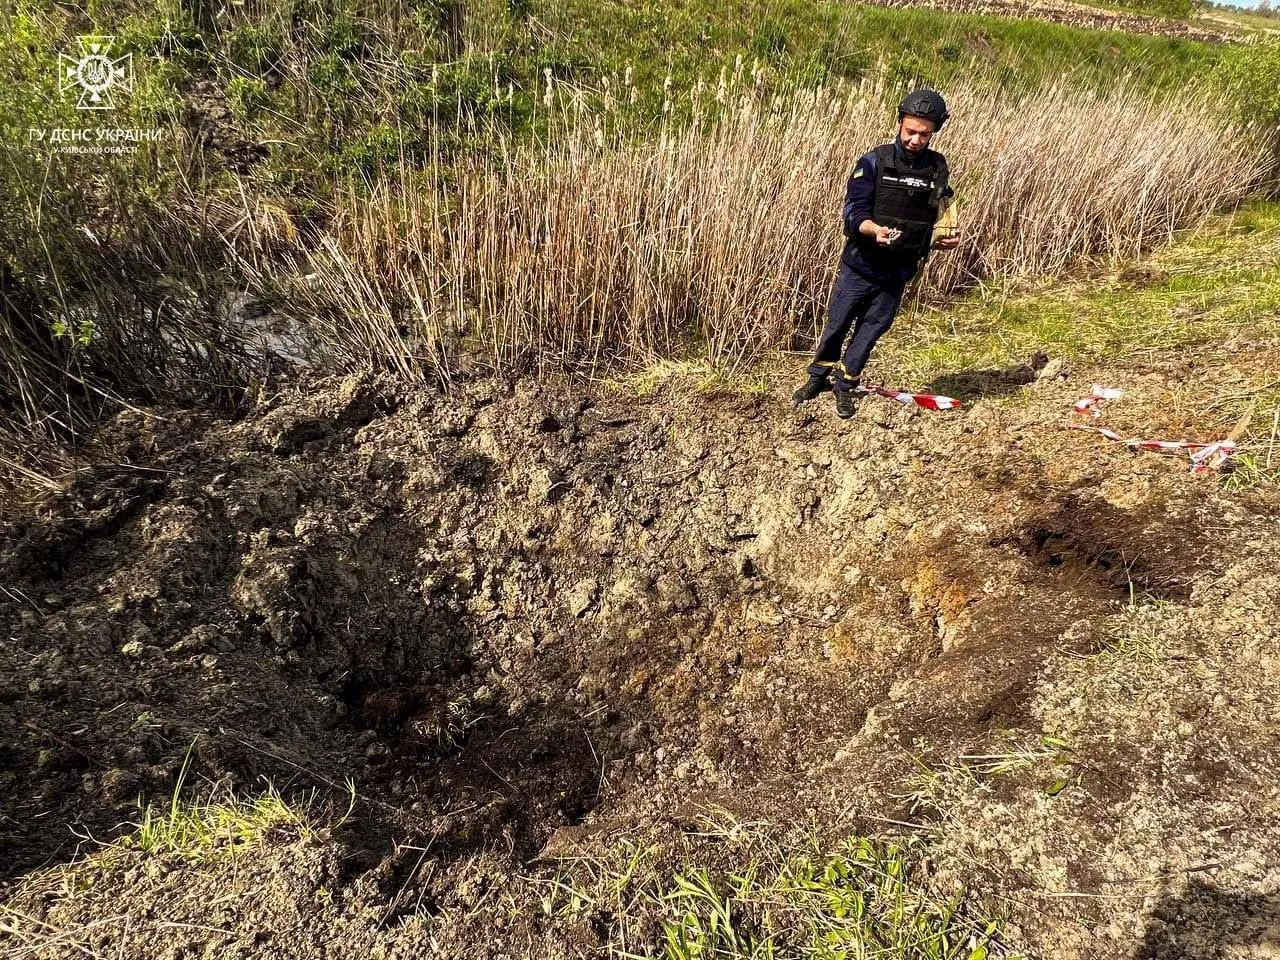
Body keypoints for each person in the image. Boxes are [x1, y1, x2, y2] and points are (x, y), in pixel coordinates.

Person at [792, 89, 961, 418]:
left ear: (935, 131)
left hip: (898, 272)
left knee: (870, 330)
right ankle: (817, 378)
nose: (915, 139)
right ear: (899, 123)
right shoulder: (873, 161)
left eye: (924, 134)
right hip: (860, 266)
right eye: (910, 130)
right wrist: (874, 230)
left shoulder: (938, 167)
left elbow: (941, 209)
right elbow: (853, 212)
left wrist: (942, 237)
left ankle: (845, 385)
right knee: (837, 324)